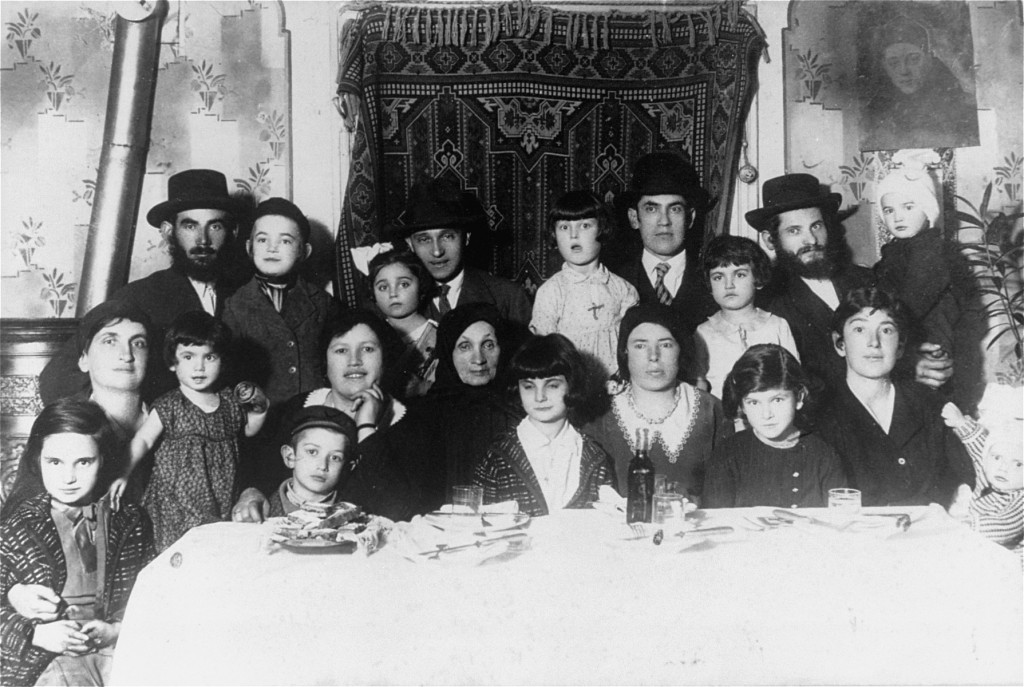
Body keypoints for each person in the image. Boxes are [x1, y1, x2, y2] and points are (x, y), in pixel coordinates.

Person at [39, 169, 244, 403]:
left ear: (232, 232)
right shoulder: (138, 297)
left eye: (215, 226)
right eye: (190, 226)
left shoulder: (247, 294)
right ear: (169, 232)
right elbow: (56, 381)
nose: (203, 240)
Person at [749, 173, 953, 404]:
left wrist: (923, 360)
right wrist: (903, 369)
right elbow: (797, 378)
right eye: (794, 231)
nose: (812, 240)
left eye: (816, 226)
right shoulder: (766, 301)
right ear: (769, 240)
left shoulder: (866, 278)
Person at [1, 398, 154, 686]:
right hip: (46, 659)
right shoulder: (18, 525)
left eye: (83, 462)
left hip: (119, 653)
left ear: (104, 458)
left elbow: (155, 596)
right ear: (37, 460)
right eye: (55, 462)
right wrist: (32, 630)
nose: (68, 477)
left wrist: (118, 629)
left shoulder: (129, 521)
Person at [235, 310, 424, 522]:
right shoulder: (296, 409)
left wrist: (367, 428)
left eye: (368, 349)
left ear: (385, 359)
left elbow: (401, 511)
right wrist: (251, 493)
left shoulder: (410, 424)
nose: (354, 361)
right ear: (325, 360)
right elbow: (258, 471)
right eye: (341, 350)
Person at [107, 312, 268, 552]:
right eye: (188, 356)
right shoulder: (170, 404)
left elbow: (249, 430)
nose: (199, 366)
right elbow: (143, 440)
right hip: (175, 506)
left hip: (219, 499)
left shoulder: (229, 400)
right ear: (173, 362)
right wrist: (122, 472)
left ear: (222, 361)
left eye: (210, 357)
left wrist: (261, 407)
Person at [816, 287, 971, 507]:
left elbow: (964, 480)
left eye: (886, 330)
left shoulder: (931, 404)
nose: (874, 342)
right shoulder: (822, 414)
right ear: (839, 344)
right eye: (859, 329)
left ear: (900, 346)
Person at [3, 301, 152, 519]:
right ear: (83, 360)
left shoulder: (171, 416)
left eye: (138, 343)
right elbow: (21, 514)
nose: (126, 355)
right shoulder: (61, 425)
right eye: (110, 341)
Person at [584, 304, 731, 502]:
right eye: (640, 345)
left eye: (665, 344)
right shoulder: (600, 416)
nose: (653, 356)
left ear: (681, 349)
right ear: (624, 351)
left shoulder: (710, 409)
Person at [874, 167, 985, 413]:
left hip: (934, 338)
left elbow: (909, 304)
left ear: (928, 210)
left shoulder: (932, 252)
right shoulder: (897, 252)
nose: (897, 217)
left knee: (936, 407)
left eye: (908, 207)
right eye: (889, 210)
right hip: (911, 340)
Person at [473, 334, 615, 516]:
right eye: (529, 386)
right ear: (518, 388)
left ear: (572, 386)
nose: (540, 397)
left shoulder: (594, 457)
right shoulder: (496, 458)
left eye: (552, 385)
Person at [222, 197, 340, 409]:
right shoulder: (234, 306)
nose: (272, 248)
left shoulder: (323, 303)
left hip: (313, 414)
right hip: (261, 421)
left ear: (304, 252)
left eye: (285, 241)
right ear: (249, 248)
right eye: (262, 240)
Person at [703, 344, 845, 509]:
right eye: (754, 402)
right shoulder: (728, 455)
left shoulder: (824, 456)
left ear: (799, 398)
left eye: (777, 400)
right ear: (742, 405)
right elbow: (714, 524)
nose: (766, 414)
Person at [414, 303, 526, 501]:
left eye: (488, 344)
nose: (479, 359)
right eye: (465, 346)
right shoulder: (425, 416)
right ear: (448, 353)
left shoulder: (520, 411)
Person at [389, 177, 531, 327]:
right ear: (410, 243)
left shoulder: (508, 298)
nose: (437, 251)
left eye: (447, 236)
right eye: (424, 239)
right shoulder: (392, 299)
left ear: (466, 238)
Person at [529, 190, 639, 379]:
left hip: (617, 381)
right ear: (554, 234)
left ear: (602, 229)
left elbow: (633, 342)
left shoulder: (623, 289)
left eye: (585, 226)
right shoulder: (551, 292)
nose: (573, 235)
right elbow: (545, 350)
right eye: (564, 227)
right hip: (570, 381)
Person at [613, 151, 717, 338]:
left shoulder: (715, 281)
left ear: (690, 218)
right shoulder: (614, 282)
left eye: (675, 209)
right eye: (652, 209)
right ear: (634, 218)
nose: (664, 221)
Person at [694, 235, 800, 398]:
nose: (728, 284)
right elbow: (699, 385)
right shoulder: (703, 332)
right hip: (723, 418)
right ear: (709, 284)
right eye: (718, 277)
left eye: (740, 274)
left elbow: (795, 378)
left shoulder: (777, 325)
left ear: (757, 278)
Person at [861, 15, 978, 151]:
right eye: (894, 63)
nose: (904, 71)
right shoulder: (873, 112)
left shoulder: (959, 104)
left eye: (914, 59)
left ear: (929, 59)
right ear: (884, 66)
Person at [942, 402, 1023, 556]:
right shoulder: (990, 471)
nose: (1003, 468)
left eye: (1018, 464)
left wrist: (965, 525)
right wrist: (961, 423)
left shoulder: (1021, 499)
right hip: (979, 543)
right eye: (998, 457)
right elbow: (979, 446)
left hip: (1011, 560)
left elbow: (1004, 525)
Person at [368, 248, 439, 398]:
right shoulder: (370, 337)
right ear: (372, 293)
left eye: (404, 284)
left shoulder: (441, 336)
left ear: (421, 286)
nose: (393, 293)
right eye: (383, 287)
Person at [268, 406, 360, 517]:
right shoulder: (262, 511)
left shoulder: (355, 517)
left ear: (347, 467)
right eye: (312, 452)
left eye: (335, 458)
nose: (322, 466)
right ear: (290, 457)